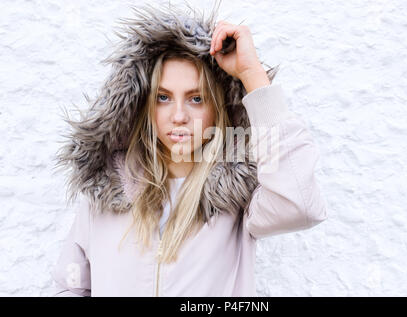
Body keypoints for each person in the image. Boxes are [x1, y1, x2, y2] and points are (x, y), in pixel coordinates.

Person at [50, 2, 328, 297]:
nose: (179, 115)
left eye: (196, 98)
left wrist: (251, 74)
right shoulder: (105, 192)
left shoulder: (237, 197)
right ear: (142, 106)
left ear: (217, 110)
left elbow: (301, 206)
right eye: (163, 97)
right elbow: (70, 286)